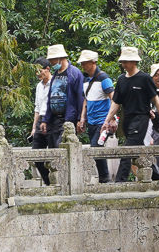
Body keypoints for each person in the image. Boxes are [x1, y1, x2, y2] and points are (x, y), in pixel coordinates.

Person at [34, 44, 86, 185]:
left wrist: (80, 120)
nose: (51, 63)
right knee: (52, 154)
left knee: (60, 152)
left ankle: (66, 184)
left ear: (60, 58)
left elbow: (80, 98)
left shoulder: (74, 73)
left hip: (67, 119)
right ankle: (54, 184)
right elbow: (51, 98)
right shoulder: (56, 75)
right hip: (53, 120)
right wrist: (45, 120)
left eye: (52, 60)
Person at [104, 48, 159, 181]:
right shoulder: (122, 80)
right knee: (138, 151)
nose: (123, 64)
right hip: (127, 121)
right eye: (122, 61)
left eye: (126, 61)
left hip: (141, 119)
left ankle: (119, 182)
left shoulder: (145, 78)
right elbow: (116, 102)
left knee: (127, 151)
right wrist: (107, 120)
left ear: (133, 62)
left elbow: (156, 99)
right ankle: (158, 177)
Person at [77, 51, 117, 183]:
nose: (83, 65)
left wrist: (111, 119)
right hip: (92, 121)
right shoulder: (85, 79)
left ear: (93, 62)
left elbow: (114, 99)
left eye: (85, 63)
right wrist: (82, 118)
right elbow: (86, 100)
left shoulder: (104, 78)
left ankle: (105, 178)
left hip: (103, 121)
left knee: (96, 147)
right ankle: (103, 178)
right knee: (96, 149)